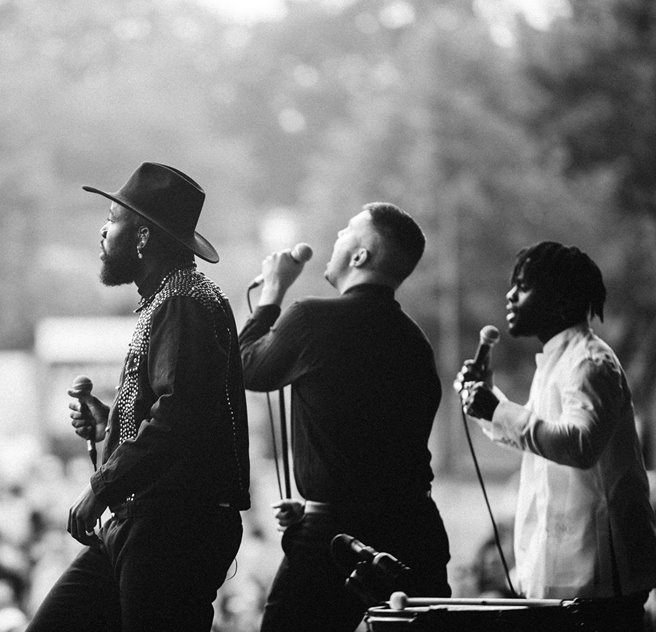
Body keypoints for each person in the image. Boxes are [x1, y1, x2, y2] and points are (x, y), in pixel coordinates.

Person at [26, 162, 251, 632]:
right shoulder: (172, 298)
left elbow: (178, 416)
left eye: (112, 218)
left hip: (172, 530)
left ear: (143, 237)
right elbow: (175, 413)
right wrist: (111, 426)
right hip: (143, 524)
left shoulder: (182, 302)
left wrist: (99, 486)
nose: (103, 231)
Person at [239, 202, 451, 632]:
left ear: (360, 256)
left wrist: (271, 295)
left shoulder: (313, 319)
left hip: (336, 540)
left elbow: (246, 367)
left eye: (345, 232)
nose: (336, 236)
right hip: (416, 532)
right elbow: (379, 449)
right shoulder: (416, 343)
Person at [456, 241, 656, 631]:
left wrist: (495, 409)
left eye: (524, 285)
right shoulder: (558, 360)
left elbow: (579, 445)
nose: (510, 294)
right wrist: (489, 402)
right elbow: (541, 438)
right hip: (573, 579)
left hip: (600, 584)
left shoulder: (589, 363)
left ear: (562, 302)